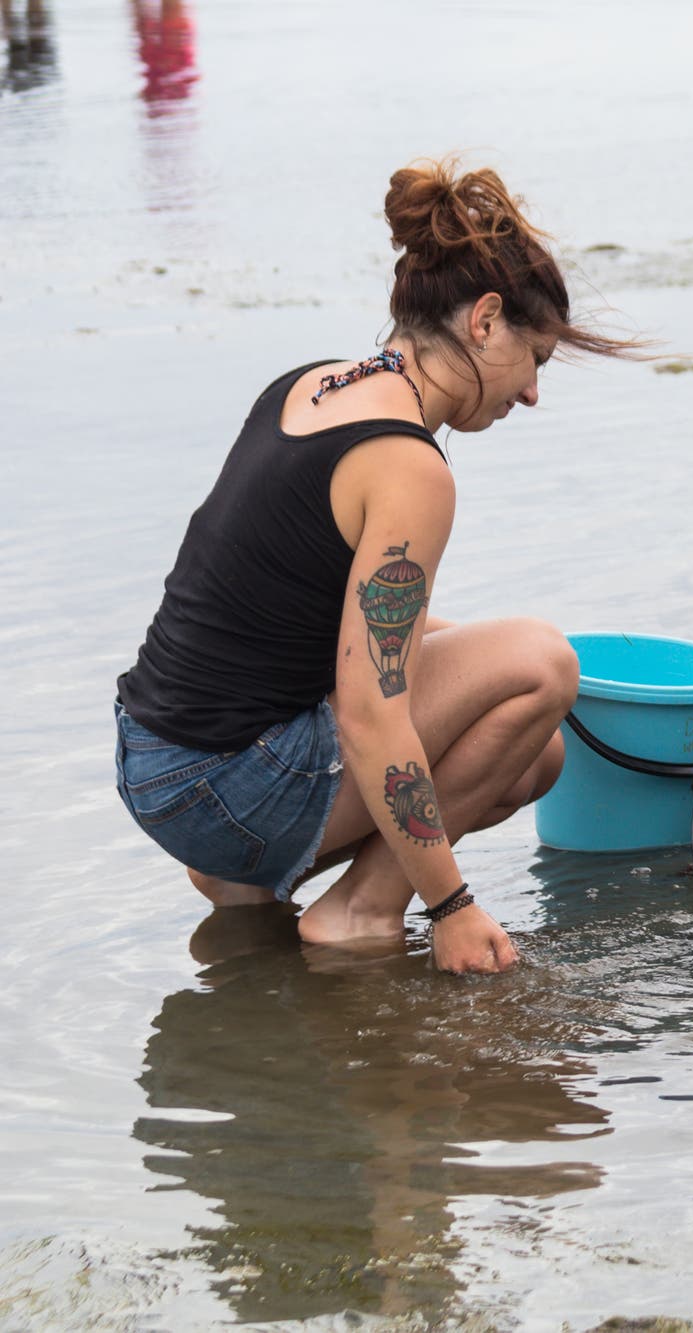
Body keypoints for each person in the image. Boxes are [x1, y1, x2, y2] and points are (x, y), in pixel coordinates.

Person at [113, 158, 641, 973]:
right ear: (486, 320)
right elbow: (369, 714)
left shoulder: (312, 387)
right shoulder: (408, 466)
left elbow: (295, 610)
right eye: (537, 357)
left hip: (155, 765)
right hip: (226, 786)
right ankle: (362, 909)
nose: (533, 392)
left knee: (534, 752)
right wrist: (453, 907)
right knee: (542, 664)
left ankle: (246, 889)